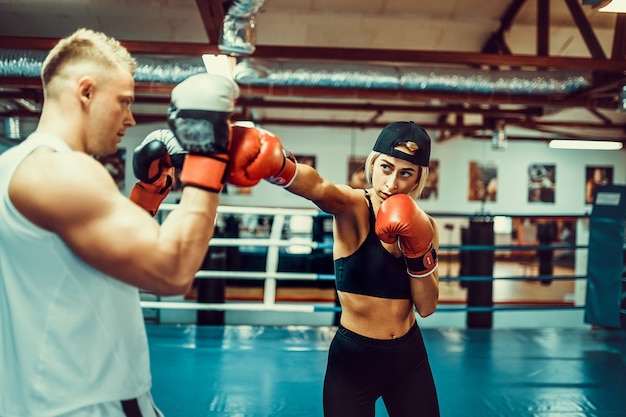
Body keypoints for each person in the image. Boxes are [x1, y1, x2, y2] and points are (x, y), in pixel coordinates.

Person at [0, 28, 239, 417]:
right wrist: (207, 156)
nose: (129, 118)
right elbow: (171, 272)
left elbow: (95, 258)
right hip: (84, 402)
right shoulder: (59, 171)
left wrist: (146, 197)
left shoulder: (16, 165)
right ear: (86, 91)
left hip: (53, 396)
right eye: (124, 101)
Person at [226, 121, 441, 416]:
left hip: (408, 358)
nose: (391, 184)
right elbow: (319, 188)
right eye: (386, 168)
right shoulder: (353, 205)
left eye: (406, 173)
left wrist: (417, 254)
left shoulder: (425, 225)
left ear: (418, 179)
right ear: (373, 163)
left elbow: (427, 307)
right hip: (354, 360)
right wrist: (280, 168)